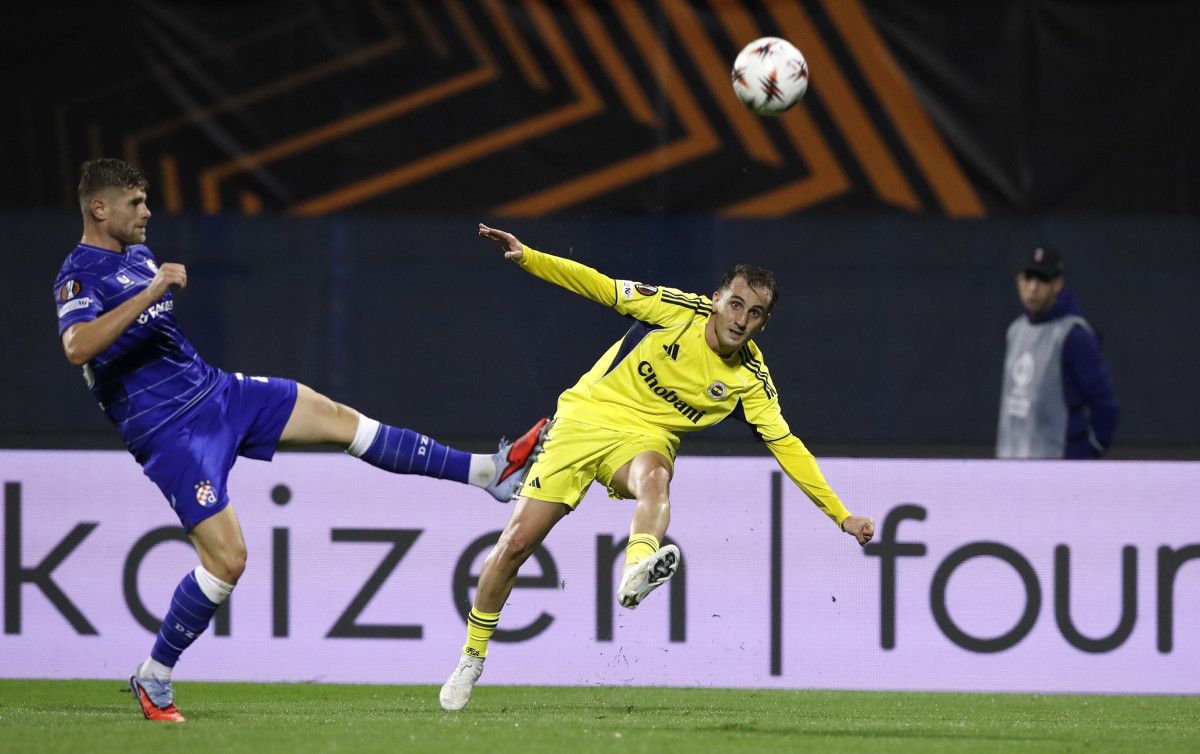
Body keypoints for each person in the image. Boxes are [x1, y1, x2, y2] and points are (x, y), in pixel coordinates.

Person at [53, 159, 547, 723]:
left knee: (336, 418)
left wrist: (152, 284)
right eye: (135, 203)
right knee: (228, 561)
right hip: (170, 434)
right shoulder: (79, 274)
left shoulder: (138, 257)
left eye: (145, 201)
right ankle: (154, 675)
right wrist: (154, 290)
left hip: (218, 393)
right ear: (100, 208)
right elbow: (77, 347)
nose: (147, 211)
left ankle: (488, 472)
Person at [438, 223, 876, 711]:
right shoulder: (675, 310)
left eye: (754, 313)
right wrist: (528, 257)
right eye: (735, 304)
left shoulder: (751, 381)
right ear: (716, 299)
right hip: (584, 419)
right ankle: (472, 657)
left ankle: (635, 570)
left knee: (656, 479)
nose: (741, 319)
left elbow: (788, 447)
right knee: (515, 545)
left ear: (764, 323)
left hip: (644, 440)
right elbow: (600, 286)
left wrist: (841, 515)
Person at [997, 245, 1119, 459]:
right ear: (1019, 281)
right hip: (1011, 463)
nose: (1033, 288)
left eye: (1042, 280)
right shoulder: (1016, 331)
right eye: (1028, 278)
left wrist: (1086, 453)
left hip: (1058, 464)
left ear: (1057, 284)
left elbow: (1104, 404)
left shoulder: (1074, 336)